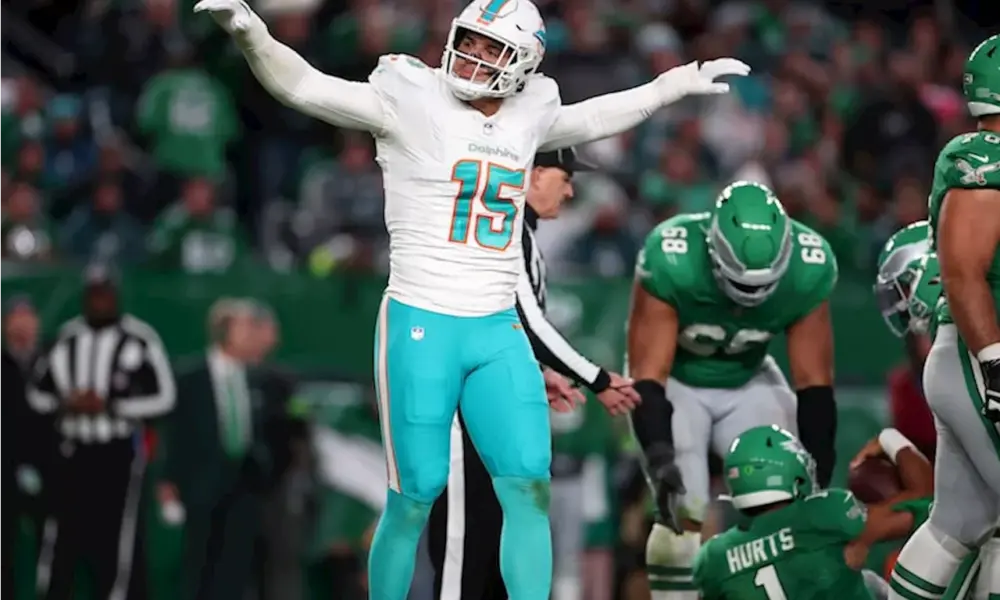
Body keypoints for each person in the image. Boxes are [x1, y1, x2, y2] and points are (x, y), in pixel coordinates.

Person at [193, 0, 749, 596]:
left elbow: (590, 118)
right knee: (413, 496)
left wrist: (669, 87)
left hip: (495, 329)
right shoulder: (412, 96)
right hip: (421, 320)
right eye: (470, 41)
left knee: (529, 486)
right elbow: (304, 86)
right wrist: (252, 34)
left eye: (491, 48)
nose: (473, 56)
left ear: (524, 62)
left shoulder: (531, 109)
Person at [427, 147, 638, 600]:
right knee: (463, 555)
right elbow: (527, 322)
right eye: (564, 177)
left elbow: (505, 329)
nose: (570, 190)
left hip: (493, 414)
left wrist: (536, 372)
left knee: (493, 556)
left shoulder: (523, 233)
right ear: (534, 174)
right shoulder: (501, 229)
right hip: (468, 413)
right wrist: (598, 379)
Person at [625, 181, 839, 599]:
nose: (751, 296)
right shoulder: (673, 256)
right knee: (684, 507)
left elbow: (814, 382)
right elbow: (649, 374)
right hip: (678, 381)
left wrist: (819, 474)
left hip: (748, 378)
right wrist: (659, 453)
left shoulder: (809, 265)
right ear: (712, 251)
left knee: (789, 501)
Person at [890, 35, 1000, 600]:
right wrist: (994, 364)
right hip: (978, 354)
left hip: (970, 358)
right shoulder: (984, 161)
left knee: (958, 524)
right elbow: (962, 275)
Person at [28, 264, 176, 600]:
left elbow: (165, 397)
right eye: (94, 294)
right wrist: (66, 404)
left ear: (116, 296)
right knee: (62, 537)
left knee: (117, 538)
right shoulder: (65, 338)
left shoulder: (139, 338)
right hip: (72, 450)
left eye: (105, 294)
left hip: (117, 452)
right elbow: (36, 394)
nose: (100, 301)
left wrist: (112, 406)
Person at [692, 426, 928, 600]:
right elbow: (926, 499)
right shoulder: (826, 515)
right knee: (876, 584)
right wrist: (889, 438)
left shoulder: (714, 558)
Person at [159, 298, 278, 600]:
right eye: (245, 328)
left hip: (244, 488)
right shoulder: (191, 377)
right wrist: (168, 481)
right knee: (199, 566)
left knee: (236, 569)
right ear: (225, 331)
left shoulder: (258, 377)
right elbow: (176, 433)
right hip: (201, 486)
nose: (252, 335)